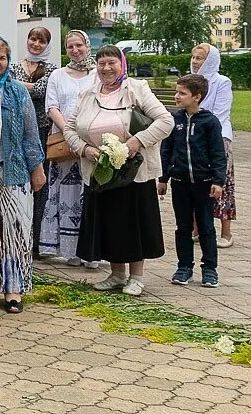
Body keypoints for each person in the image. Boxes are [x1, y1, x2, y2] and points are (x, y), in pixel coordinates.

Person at [65, 45, 172, 296]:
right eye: (101, 63)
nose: (106, 68)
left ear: (121, 64)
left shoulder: (137, 89)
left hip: (133, 171)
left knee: (132, 222)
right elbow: (69, 129)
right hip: (99, 171)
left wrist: (138, 141)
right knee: (109, 221)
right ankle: (116, 274)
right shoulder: (87, 94)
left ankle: (136, 277)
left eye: (111, 62)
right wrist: (84, 149)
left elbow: (166, 121)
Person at [0, 36, 45, 313]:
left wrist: (37, 168)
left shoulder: (18, 91)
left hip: (14, 172)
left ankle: (14, 289)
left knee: (15, 231)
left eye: (2, 58)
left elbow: (31, 133)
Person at [159, 74, 227, 288]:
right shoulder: (175, 120)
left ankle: (209, 269)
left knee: (206, 226)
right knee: (183, 226)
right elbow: (166, 150)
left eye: (182, 93)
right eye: (176, 92)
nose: (177, 96)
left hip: (204, 183)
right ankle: (184, 267)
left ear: (197, 97)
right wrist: (163, 178)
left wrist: (218, 181)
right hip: (179, 182)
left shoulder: (210, 122)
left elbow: (218, 153)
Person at [40, 30, 96, 264]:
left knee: (89, 192)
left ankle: (90, 249)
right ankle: (68, 249)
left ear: (87, 45)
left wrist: (84, 133)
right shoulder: (58, 75)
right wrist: (68, 131)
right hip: (63, 140)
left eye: (78, 45)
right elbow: (51, 106)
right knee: (65, 193)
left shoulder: (97, 74)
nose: (75, 50)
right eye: (70, 46)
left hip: (91, 140)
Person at [8, 26, 56, 253]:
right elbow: (12, 87)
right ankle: (18, 234)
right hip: (16, 130)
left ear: (47, 45)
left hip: (41, 130)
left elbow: (41, 91)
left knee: (39, 182)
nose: (36, 44)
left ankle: (36, 240)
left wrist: (23, 86)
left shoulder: (52, 69)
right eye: (33, 39)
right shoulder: (16, 65)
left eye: (41, 41)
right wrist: (30, 87)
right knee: (19, 182)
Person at [190, 43, 235, 247]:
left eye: (200, 58)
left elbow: (220, 112)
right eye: (193, 58)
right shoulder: (190, 82)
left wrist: (202, 127)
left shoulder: (222, 82)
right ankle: (197, 229)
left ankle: (226, 233)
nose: (195, 61)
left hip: (218, 139)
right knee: (195, 182)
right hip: (194, 138)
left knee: (221, 183)